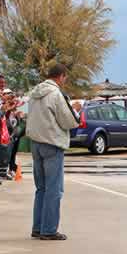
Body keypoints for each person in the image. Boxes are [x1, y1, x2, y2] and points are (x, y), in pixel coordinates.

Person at [26, 64, 81, 240]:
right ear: (61, 76)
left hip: (35, 143)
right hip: (52, 143)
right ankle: (49, 229)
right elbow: (68, 122)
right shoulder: (56, 95)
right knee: (54, 189)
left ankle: (38, 227)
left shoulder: (34, 94)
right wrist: (76, 111)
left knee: (41, 188)